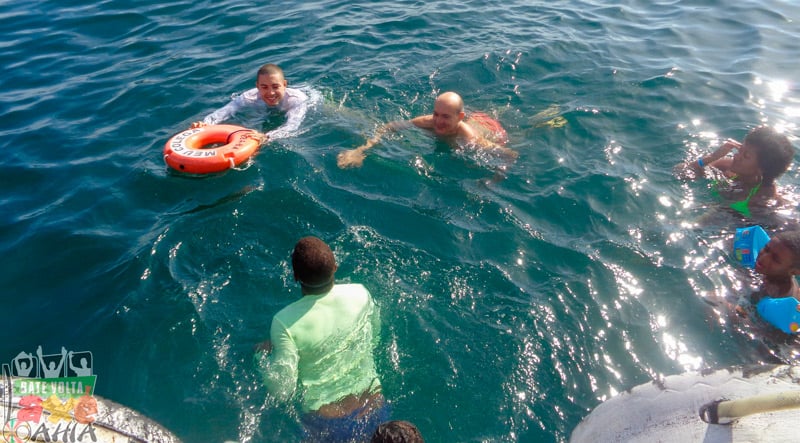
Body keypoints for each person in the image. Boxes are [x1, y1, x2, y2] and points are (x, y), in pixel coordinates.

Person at [255, 236, 388, 442]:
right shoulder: (360, 294)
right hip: (374, 407)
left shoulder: (284, 323)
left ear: (295, 276)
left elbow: (282, 389)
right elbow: (375, 339)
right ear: (335, 266)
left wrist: (262, 358)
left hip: (327, 422)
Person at [337, 91, 517, 168]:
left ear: (459, 117)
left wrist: (492, 181)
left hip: (488, 127)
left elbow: (510, 155)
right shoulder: (428, 122)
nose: (438, 121)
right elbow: (389, 127)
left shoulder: (470, 138)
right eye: (436, 114)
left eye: (445, 116)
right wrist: (360, 150)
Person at [674, 126, 794, 215]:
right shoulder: (727, 165)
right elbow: (680, 172)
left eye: (745, 156)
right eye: (740, 150)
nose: (736, 156)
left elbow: (710, 219)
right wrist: (712, 157)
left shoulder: (761, 200)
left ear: (761, 169)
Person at [193, 63, 310, 141]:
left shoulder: (297, 100)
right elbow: (225, 111)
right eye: (264, 87)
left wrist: (267, 136)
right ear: (257, 86)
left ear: (284, 84)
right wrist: (206, 123)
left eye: (275, 86)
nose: (271, 93)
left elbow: (292, 126)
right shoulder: (249, 97)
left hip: (306, 103)